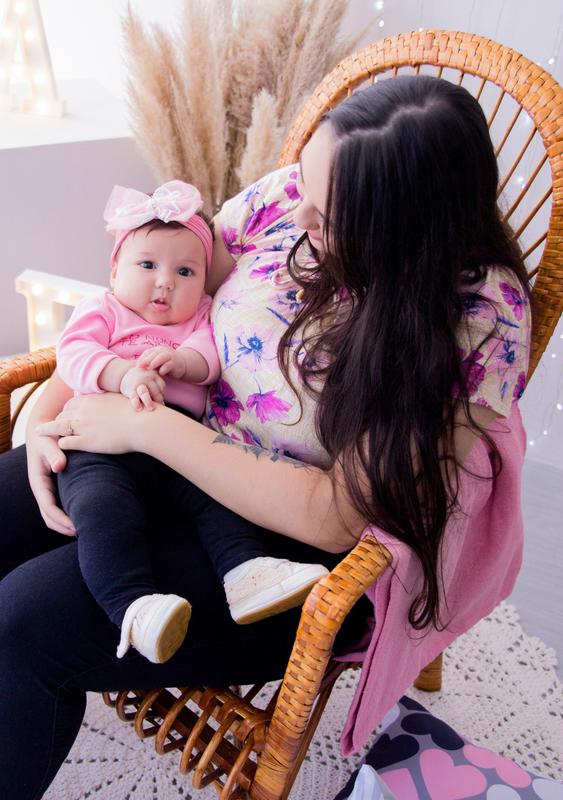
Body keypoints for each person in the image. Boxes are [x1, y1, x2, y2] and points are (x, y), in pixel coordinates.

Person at [0, 74, 530, 800]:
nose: (300, 216)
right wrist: (52, 413)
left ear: (402, 235)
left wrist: (146, 428)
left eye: (326, 217)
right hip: (167, 443)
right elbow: (164, 287)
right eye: (307, 189)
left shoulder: (478, 324)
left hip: (284, 549)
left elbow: (335, 516)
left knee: (23, 625)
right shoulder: (297, 197)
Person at [54, 179, 328, 665]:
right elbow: (73, 353)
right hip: (101, 451)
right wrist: (121, 374)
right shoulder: (104, 309)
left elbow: (210, 359)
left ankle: (247, 572)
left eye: (185, 271)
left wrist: (182, 363)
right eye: (147, 265)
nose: (165, 282)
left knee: (217, 500)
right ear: (114, 269)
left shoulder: (200, 314)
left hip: (181, 446)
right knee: (103, 514)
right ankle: (134, 607)